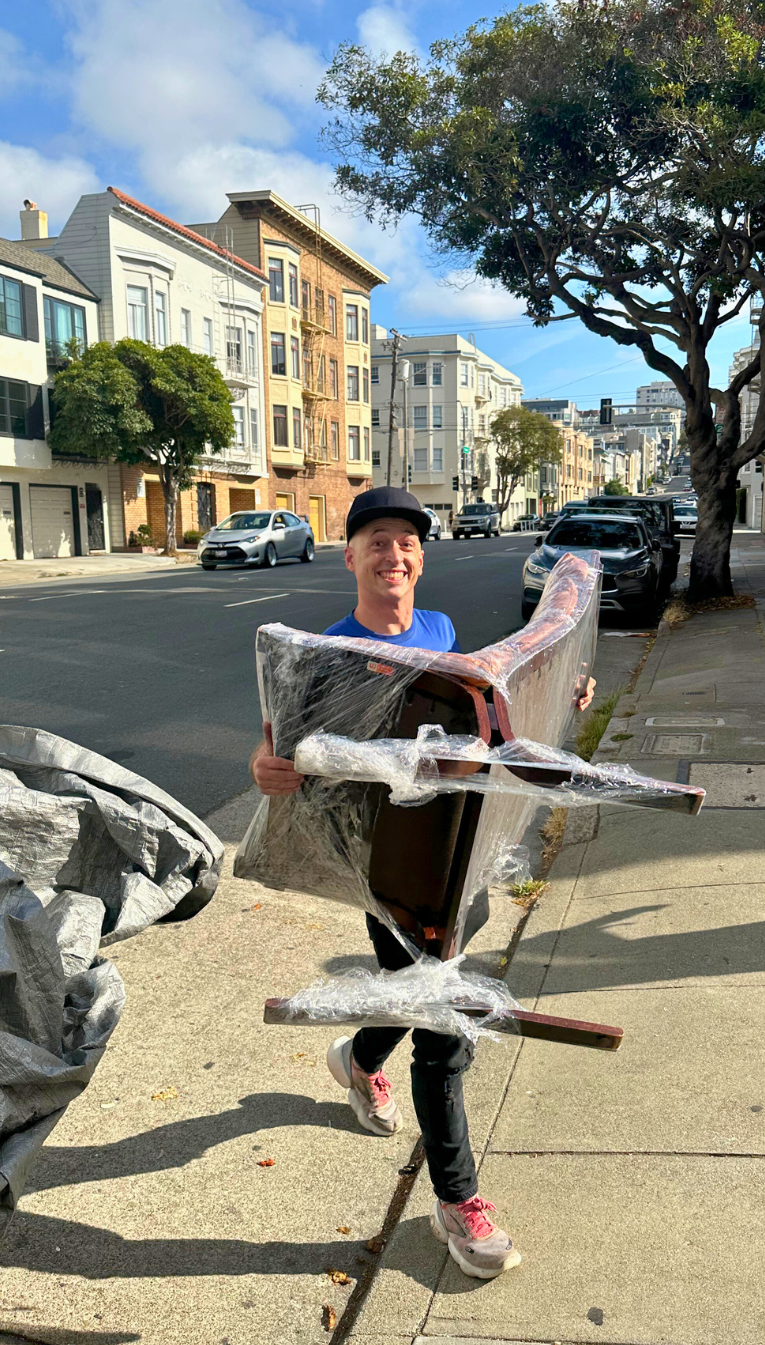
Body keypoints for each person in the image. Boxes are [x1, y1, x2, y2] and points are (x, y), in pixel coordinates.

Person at [250, 485, 595, 1280]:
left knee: (413, 996)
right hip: (391, 872)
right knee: (442, 1027)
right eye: (376, 541)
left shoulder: (439, 631)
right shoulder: (323, 653)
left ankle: (358, 1055)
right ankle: (458, 1202)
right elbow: (277, 750)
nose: (393, 553)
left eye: (406, 541)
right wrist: (265, 771)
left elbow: (484, 720)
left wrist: (556, 697)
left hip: (459, 851)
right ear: (351, 557)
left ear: (420, 558)